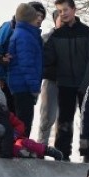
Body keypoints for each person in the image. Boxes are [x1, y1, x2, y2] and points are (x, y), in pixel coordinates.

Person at [43, 0, 89, 162]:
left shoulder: (87, 32)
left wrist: (87, 84)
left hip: (85, 85)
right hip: (65, 84)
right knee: (64, 120)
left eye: (65, 10)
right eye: (60, 11)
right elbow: (47, 59)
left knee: (88, 119)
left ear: (74, 9)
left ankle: (88, 154)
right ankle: (62, 153)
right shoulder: (56, 35)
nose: (63, 13)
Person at [7, 3, 45, 137]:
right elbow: (27, 65)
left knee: (22, 120)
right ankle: (20, 147)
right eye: (36, 17)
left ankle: (20, 145)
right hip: (24, 86)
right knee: (24, 122)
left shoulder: (23, 33)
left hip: (20, 85)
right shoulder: (25, 36)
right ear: (30, 19)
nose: (38, 20)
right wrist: (34, 87)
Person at [36, 10, 61, 145]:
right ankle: (41, 147)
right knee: (47, 117)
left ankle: (62, 150)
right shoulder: (46, 38)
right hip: (51, 81)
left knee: (64, 121)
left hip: (69, 85)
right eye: (60, 18)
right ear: (55, 20)